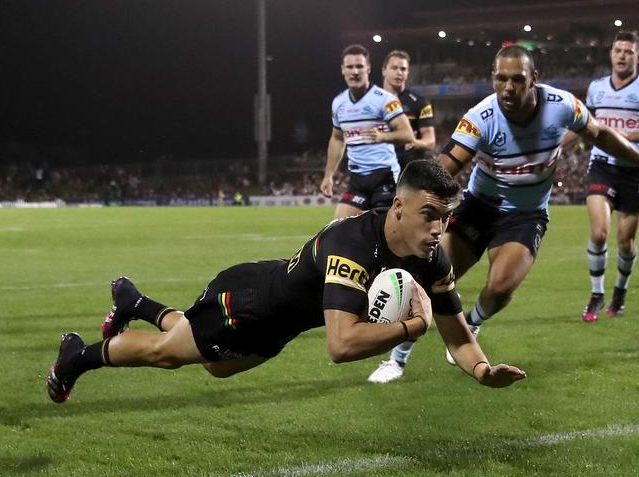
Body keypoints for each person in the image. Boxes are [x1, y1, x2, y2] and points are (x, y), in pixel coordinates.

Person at [46, 160, 526, 404]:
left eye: (445, 217)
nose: (438, 229)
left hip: (276, 327)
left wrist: (483, 370)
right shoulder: (352, 246)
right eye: (429, 215)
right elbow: (340, 345)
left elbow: (456, 329)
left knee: (212, 364)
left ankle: (135, 301)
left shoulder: (429, 255)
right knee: (166, 353)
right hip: (246, 304)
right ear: (398, 207)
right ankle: (78, 357)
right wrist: (410, 329)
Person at [368, 44, 639, 384]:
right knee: (428, 280)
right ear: (492, 79)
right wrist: (408, 208)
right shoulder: (481, 118)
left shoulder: (563, 106)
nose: (508, 88)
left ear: (534, 79)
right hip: (480, 209)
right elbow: (444, 169)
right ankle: (397, 359)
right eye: (501, 79)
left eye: (517, 79)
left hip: (526, 216)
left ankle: (471, 324)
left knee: (499, 289)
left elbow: (600, 134)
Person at [578, 32, 639, 322]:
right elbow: (584, 125)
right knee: (599, 232)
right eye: (618, 50)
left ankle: (620, 290)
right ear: (611, 54)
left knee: (625, 241)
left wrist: (624, 135)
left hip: (634, 170)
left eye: (628, 51)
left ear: (636, 56)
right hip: (602, 164)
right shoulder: (596, 88)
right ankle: (596, 294)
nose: (622, 55)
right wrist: (554, 149)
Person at [320, 44, 414, 219]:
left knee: (385, 232)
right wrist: (328, 176)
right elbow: (337, 139)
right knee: (340, 227)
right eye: (350, 67)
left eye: (359, 66)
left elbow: (407, 135)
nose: (355, 71)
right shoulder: (338, 103)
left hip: (384, 176)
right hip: (357, 180)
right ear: (342, 70)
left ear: (368, 69)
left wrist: (383, 136)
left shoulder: (385, 100)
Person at [381, 50, 436, 169]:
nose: (399, 72)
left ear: (407, 73)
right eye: (394, 68)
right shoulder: (370, 102)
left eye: (403, 69)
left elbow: (430, 140)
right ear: (384, 70)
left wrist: (416, 143)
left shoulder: (421, 102)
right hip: (379, 170)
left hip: (409, 172)